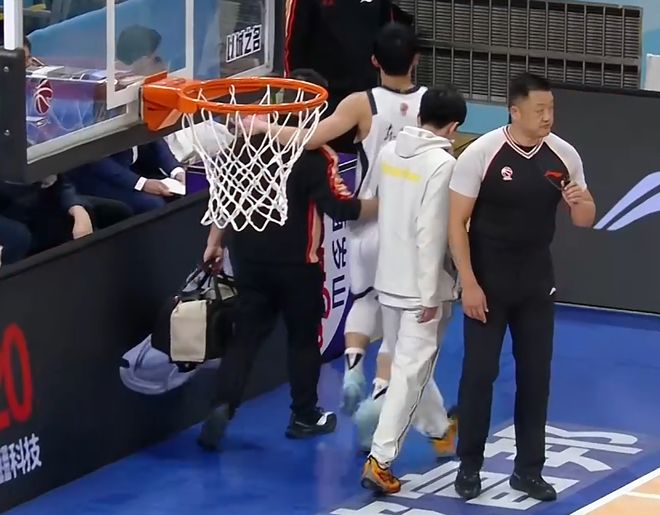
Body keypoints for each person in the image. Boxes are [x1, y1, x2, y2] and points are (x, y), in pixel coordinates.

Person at [197, 69, 378, 450]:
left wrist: (214, 242)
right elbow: (340, 206)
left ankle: (221, 406)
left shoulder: (242, 146)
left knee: (244, 338)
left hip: (249, 259)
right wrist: (386, 203)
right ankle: (304, 415)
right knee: (302, 341)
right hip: (299, 264)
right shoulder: (315, 155)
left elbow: (225, 200)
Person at [259, 21, 428, 423]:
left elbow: (310, 138)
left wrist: (261, 125)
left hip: (367, 220)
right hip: (410, 223)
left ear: (374, 61)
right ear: (417, 60)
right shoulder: (431, 103)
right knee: (400, 318)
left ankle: (353, 365)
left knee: (364, 299)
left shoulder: (360, 103)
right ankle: (380, 393)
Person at [448, 73, 596, 501]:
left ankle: (528, 470)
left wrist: (582, 204)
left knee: (535, 378)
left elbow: (584, 219)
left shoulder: (564, 155)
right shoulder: (482, 153)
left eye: (551, 109)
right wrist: (468, 283)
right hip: (487, 284)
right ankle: (469, 466)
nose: (547, 117)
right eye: (538, 110)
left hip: (535, 284)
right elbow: (456, 223)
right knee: (479, 376)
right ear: (514, 111)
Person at [360, 85, 466, 494]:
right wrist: (429, 294)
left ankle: (440, 430)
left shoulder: (388, 152)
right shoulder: (443, 164)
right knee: (410, 373)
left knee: (411, 368)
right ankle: (381, 459)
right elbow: (430, 232)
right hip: (423, 289)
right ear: (453, 126)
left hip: (387, 280)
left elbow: (377, 201)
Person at [284, 0, 413, 152]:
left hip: (365, 94)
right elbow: (293, 46)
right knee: (321, 153)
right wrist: (298, 94)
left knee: (366, 155)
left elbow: (386, 36)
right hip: (322, 98)